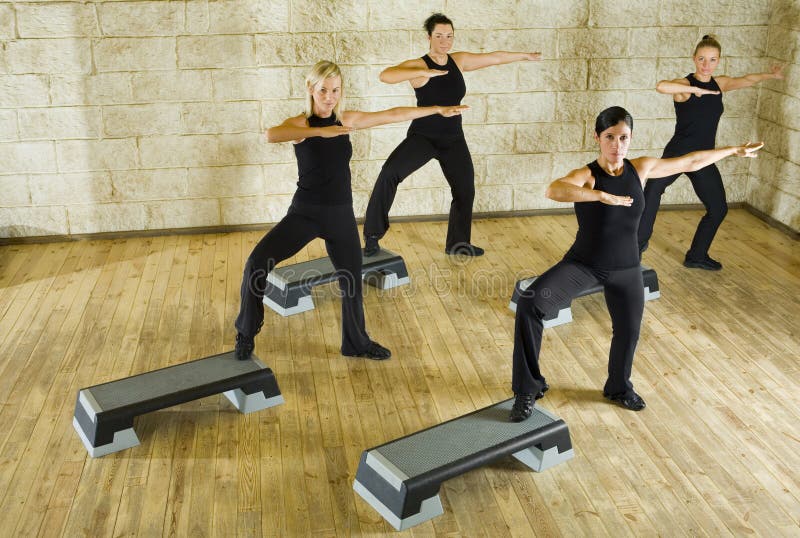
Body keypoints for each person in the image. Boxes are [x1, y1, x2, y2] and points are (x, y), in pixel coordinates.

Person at [509, 106, 763, 422]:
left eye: (624, 138)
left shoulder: (640, 169)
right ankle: (527, 389)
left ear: (631, 139)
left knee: (628, 332)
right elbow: (555, 189)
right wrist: (602, 196)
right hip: (584, 264)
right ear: (598, 138)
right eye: (610, 137)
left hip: (627, 267)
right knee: (530, 305)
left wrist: (734, 150)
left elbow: (691, 160)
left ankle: (618, 387)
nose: (617, 145)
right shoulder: (587, 175)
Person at [234, 60, 467, 361]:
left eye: (335, 90)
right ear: (311, 89)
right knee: (256, 262)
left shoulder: (346, 119)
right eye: (323, 90)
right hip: (305, 212)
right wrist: (323, 133)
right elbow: (271, 134)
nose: (329, 96)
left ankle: (355, 343)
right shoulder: (302, 125)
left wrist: (436, 109)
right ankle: (245, 334)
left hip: (340, 215)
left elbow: (392, 115)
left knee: (351, 280)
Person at [363, 12, 542, 257]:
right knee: (389, 173)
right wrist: (425, 73)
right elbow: (386, 75)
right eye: (439, 36)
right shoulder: (419, 66)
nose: (445, 41)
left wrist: (524, 56)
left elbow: (494, 58)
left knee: (465, 189)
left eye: (449, 36)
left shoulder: (458, 61)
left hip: (453, 138)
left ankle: (458, 244)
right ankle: (372, 236)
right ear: (429, 37)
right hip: (423, 136)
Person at [638, 35, 784, 270]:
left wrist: (770, 75)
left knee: (718, 209)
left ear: (718, 61)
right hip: (679, 152)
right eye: (702, 59)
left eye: (712, 60)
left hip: (704, 156)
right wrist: (696, 89)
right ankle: (635, 248)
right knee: (653, 190)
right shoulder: (684, 87)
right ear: (694, 59)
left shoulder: (720, 84)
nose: (707, 65)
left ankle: (697, 256)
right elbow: (661, 86)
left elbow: (746, 80)